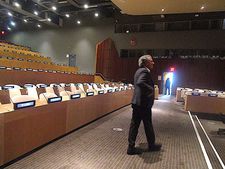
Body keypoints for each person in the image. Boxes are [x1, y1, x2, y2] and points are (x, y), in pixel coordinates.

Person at [127, 55, 162, 155]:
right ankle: (151, 146)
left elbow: (138, 83)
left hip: (137, 103)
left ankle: (131, 147)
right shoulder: (144, 71)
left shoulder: (138, 71)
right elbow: (140, 82)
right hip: (143, 104)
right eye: (151, 61)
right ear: (145, 62)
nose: (153, 63)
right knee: (147, 125)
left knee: (135, 125)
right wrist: (151, 89)